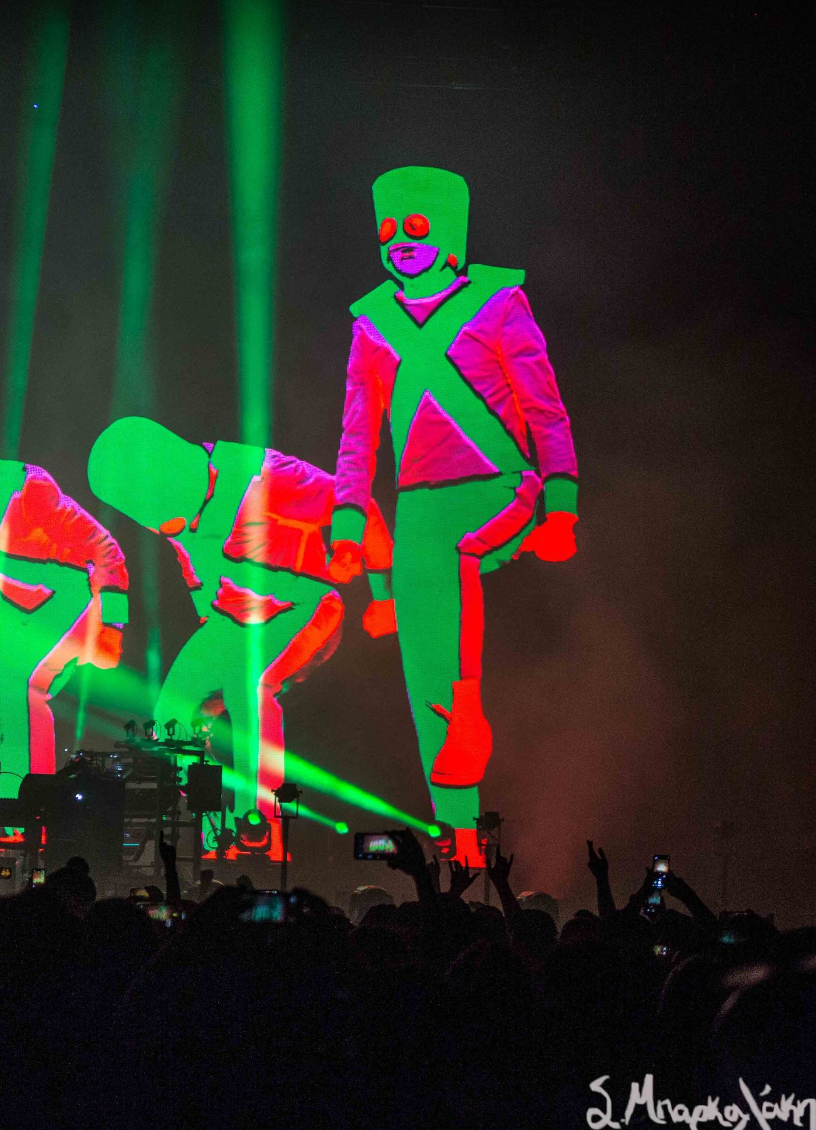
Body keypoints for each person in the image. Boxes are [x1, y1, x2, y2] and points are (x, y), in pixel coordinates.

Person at [327, 166, 580, 865]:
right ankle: (459, 831)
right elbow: (357, 434)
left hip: (501, 488)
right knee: (421, 657)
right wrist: (347, 525)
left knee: (456, 562)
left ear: (446, 233)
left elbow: (544, 407)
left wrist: (561, 504)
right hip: (420, 503)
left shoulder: (497, 302)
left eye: (414, 227)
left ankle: (468, 714)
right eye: (388, 230)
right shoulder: (372, 324)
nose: (399, 241)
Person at [88, 417, 393, 861]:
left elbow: (360, 507)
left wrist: (384, 597)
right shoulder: (169, 514)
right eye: (161, 525)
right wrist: (208, 637)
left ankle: (260, 825)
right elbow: (196, 571)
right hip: (232, 622)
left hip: (303, 608)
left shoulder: (265, 479)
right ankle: (215, 827)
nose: (171, 529)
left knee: (249, 685)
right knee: (170, 715)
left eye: (173, 520)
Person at [0, 460, 128, 791]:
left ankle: (31, 798)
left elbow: (107, 550)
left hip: (68, 597)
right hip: (16, 610)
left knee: (24, 690)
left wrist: (112, 628)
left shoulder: (27, 488)